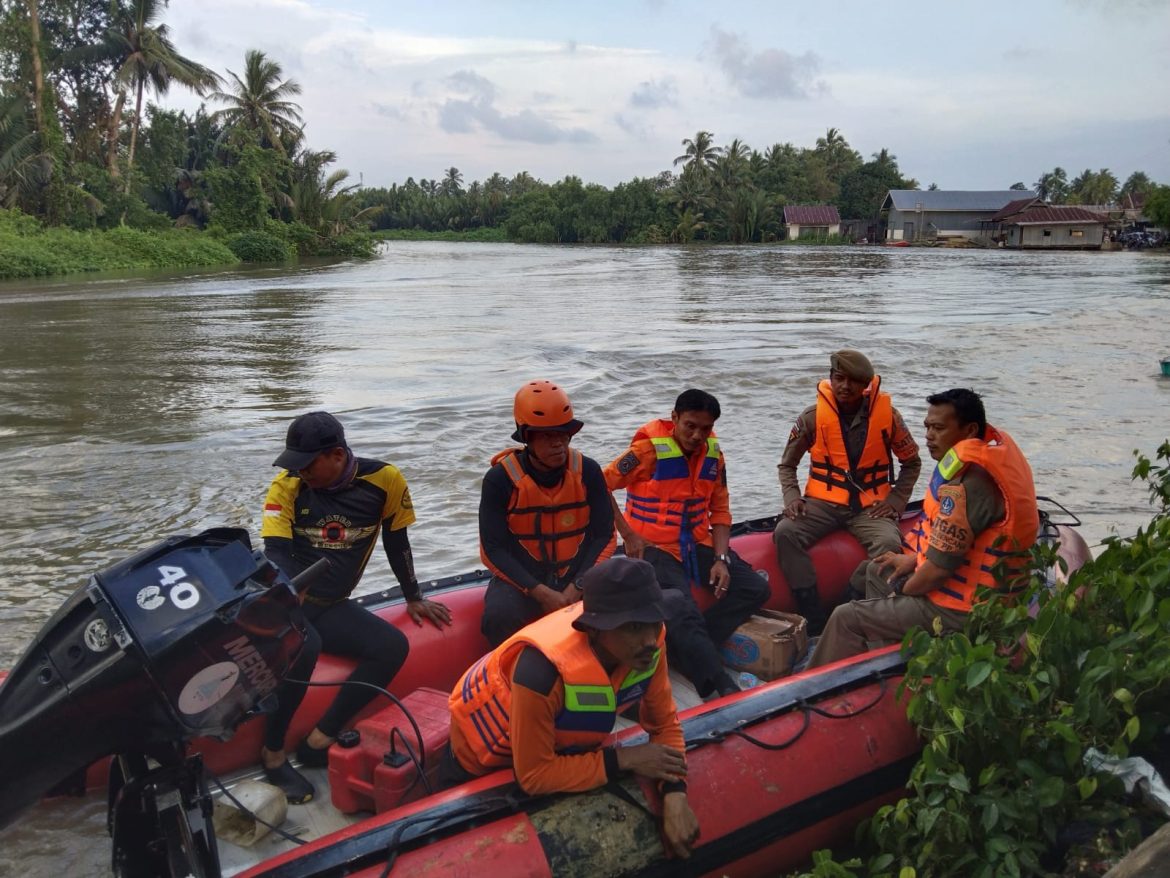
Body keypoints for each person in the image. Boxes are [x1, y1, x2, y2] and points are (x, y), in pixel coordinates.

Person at [447, 556, 701, 859]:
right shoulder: (541, 672)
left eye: (654, 620)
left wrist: (674, 793)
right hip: (484, 763)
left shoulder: (649, 645)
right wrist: (625, 759)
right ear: (594, 630)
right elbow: (534, 776)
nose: (649, 639)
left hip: (564, 748)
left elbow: (664, 725)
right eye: (633, 627)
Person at [259, 411, 453, 802]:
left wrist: (413, 595)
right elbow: (275, 552)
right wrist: (289, 595)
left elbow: (397, 542)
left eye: (307, 464)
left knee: (391, 646)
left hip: (330, 604)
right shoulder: (287, 485)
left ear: (336, 455)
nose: (300, 473)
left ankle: (318, 740)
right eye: (295, 464)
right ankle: (273, 756)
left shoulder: (385, 480)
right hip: (287, 602)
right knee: (305, 646)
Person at [806, 388, 1038, 668]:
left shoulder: (967, 488)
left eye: (939, 428)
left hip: (963, 609)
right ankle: (884, 656)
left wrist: (901, 592)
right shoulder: (984, 463)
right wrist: (912, 560)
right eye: (927, 427)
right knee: (875, 569)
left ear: (970, 430)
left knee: (846, 617)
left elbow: (935, 574)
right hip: (969, 590)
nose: (929, 435)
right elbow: (960, 548)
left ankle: (807, 688)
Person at [603, 389, 770, 699]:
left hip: (697, 542)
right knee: (682, 608)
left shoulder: (714, 457)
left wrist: (721, 559)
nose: (697, 435)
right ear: (675, 418)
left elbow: (720, 512)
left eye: (705, 429)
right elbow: (599, 485)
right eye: (690, 425)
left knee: (755, 588)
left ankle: (693, 649)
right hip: (654, 547)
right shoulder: (645, 452)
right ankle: (719, 684)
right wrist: (627, 534)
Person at [772, 350, 921, 632]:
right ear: (831, 378)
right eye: (839, 378)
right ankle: (812, 615)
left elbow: (912, 462)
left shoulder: (888, 416)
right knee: (785, 532)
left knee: (889, 544)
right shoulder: (812, 417)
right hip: (823, 502)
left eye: (853, 381)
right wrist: (792, 498)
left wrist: (896, 501)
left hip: (871, 505)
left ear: (865, 385)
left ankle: (853, 603)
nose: (845, 386)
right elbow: (787, 465)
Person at [479, 380, 615, 646]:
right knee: (499, 616)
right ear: (526, 436)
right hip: (524, 580)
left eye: (564, 434)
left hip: (577, 575)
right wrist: (540, 592)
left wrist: (578, 586)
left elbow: (604, 536)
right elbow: (493, 549)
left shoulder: (588, 471)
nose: (558, 444)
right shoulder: (499, 480)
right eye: (547, 436)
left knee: (620, 608)